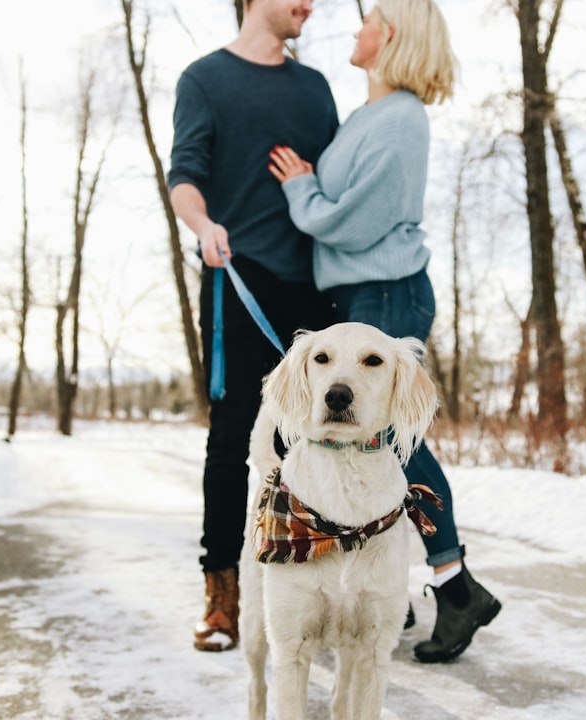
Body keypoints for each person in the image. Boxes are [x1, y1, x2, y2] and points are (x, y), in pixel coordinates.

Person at [266, 0, 501, 663]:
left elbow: (351, 221)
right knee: (373, 447)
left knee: (398, 441)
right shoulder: (370, 115)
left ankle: (456, 589)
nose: (354, 27)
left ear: (389, 35)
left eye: (368, 19)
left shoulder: (400, 120)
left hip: (388, 295)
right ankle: (391, 592)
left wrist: (303, 190)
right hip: (359, 294)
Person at [168, 0, 338, 652]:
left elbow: (335, 181)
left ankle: (308, 595)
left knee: (316, 445)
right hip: (241, 279)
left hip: (318, 293)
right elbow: (185, 175)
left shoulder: (316, 87)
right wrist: (204, 226)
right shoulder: (205, 79)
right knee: (231, 441)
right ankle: (222, 596)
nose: (308, 5)